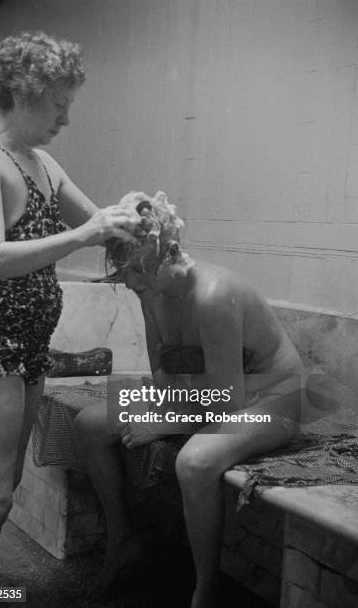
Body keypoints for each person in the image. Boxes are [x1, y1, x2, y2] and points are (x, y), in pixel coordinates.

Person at [0, 31, 142, 586]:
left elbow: (98, 222)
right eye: (58, 104)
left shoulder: (41, 161)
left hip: (30, 343)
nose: (65, 118)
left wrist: (134, 216)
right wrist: (87, 234)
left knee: (2, 497)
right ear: (25, 92)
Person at [74, 191, 306, 607]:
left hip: (271, 396)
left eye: (137, 276)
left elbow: (228, 400)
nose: (130, 285)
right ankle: (123, 543)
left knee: (194, 461)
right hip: (207, 390)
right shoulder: (150, 292)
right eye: (127, 277)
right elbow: (163, 375)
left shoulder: (212, 296)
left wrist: (165, 422)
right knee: (90, 424)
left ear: (163, 258)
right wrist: (159, 405)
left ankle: (205, 591)